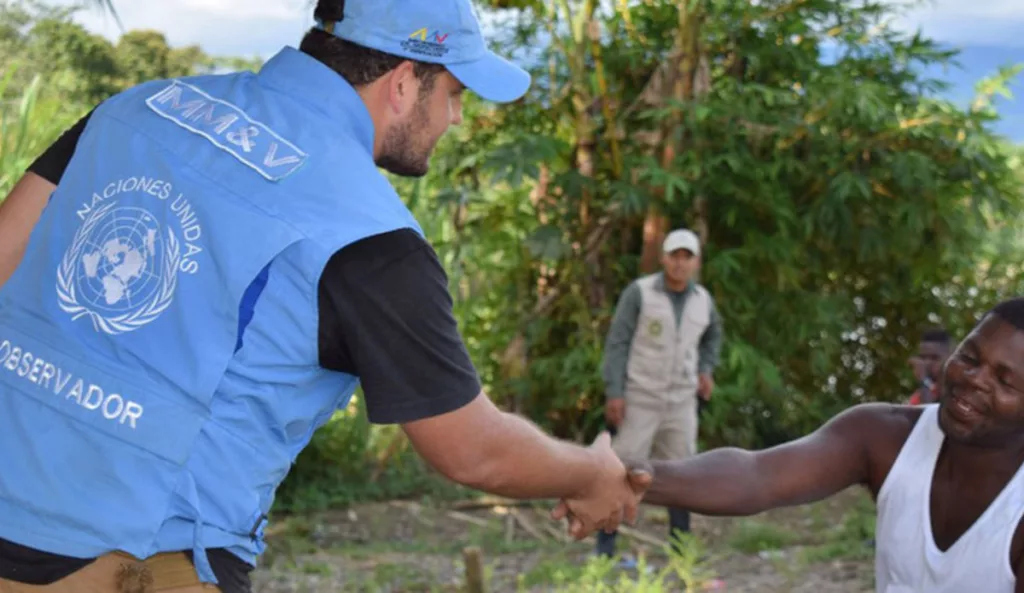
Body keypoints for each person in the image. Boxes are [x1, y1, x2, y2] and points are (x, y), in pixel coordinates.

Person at [0, 1, 648, 591]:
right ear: (402, 82)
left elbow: (6, 249)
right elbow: (472, 447)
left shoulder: (134, 109)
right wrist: (590, 472)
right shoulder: (367, 233)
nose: (455, 116)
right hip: (135, 560)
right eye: (453, 92)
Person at [568, 298, 1024, 592]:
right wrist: (629, 476)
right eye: (968, 357)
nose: (972, 381)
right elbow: (755, 476)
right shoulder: (882, 435)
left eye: (1005, 381)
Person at [596, 228, 723, 558]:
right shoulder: (639, 293)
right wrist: (615, 392)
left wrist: (705, 369)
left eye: (687, 257)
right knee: (621, 470)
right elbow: (618, 343)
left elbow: (713, 338)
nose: (680, 264)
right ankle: (604, 550)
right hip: (641, 396)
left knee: (683, 473)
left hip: (681, 401)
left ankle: (681, 551)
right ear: (663, 258)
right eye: (674, 256)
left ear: (696, 262)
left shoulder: (703, 301)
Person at [909, 328, 953, 405]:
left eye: (934, 358)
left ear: (950, 357)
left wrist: (924, 379)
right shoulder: (920, 395)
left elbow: (931, 412)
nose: (927, 363)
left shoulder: (960, 392)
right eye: (923, 358)